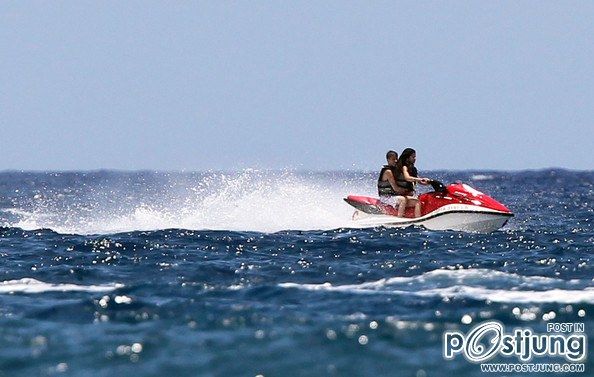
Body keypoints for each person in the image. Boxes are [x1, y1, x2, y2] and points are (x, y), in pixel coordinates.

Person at [393, 148, 431, 218]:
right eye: (413, 157)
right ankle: (418, 219)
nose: (415, 158)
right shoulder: (404, 167)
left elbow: (418, 180)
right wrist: (420, 179)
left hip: (407, 196)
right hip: (400, 197)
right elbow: (407, 177)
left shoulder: (413, 169)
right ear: (407, 158)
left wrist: (429, 182)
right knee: (417, 202)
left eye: (415, 157)